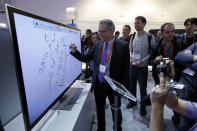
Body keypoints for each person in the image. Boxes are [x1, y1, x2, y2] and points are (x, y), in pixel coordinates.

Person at [70, 19, 130, 131]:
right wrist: (75, 52)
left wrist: (123, 89)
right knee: (100, 109)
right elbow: (86, 58)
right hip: (99, 83)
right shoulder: (97, 45)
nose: (100, 34)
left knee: (116, 109)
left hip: (114, 85)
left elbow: (126, 70)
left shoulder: (123, 46)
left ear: (112, 31)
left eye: (103, 31)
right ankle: (100, 128)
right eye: (99, 30)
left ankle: (117, 128)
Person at [127, 16, 155, 116]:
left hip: (142, 67)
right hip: (132, 66)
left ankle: (143, 107)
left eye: (138, 23)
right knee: (132, 86)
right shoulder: (132, 36)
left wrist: (142, 61)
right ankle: (132, 101)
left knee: (143, 88)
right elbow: (130, 50)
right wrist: (130, 58)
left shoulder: (150, 37)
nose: (136, 25)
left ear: (144, 24)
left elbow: (152, 52)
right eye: (135, 23)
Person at [174, 43, 197, 131]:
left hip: (193, 91)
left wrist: (188, 61)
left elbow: (185, 60)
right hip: (183, 85)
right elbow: (179, 56)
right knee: (176, 109)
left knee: (185, 123)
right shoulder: (196, 45)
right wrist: (194, 58)